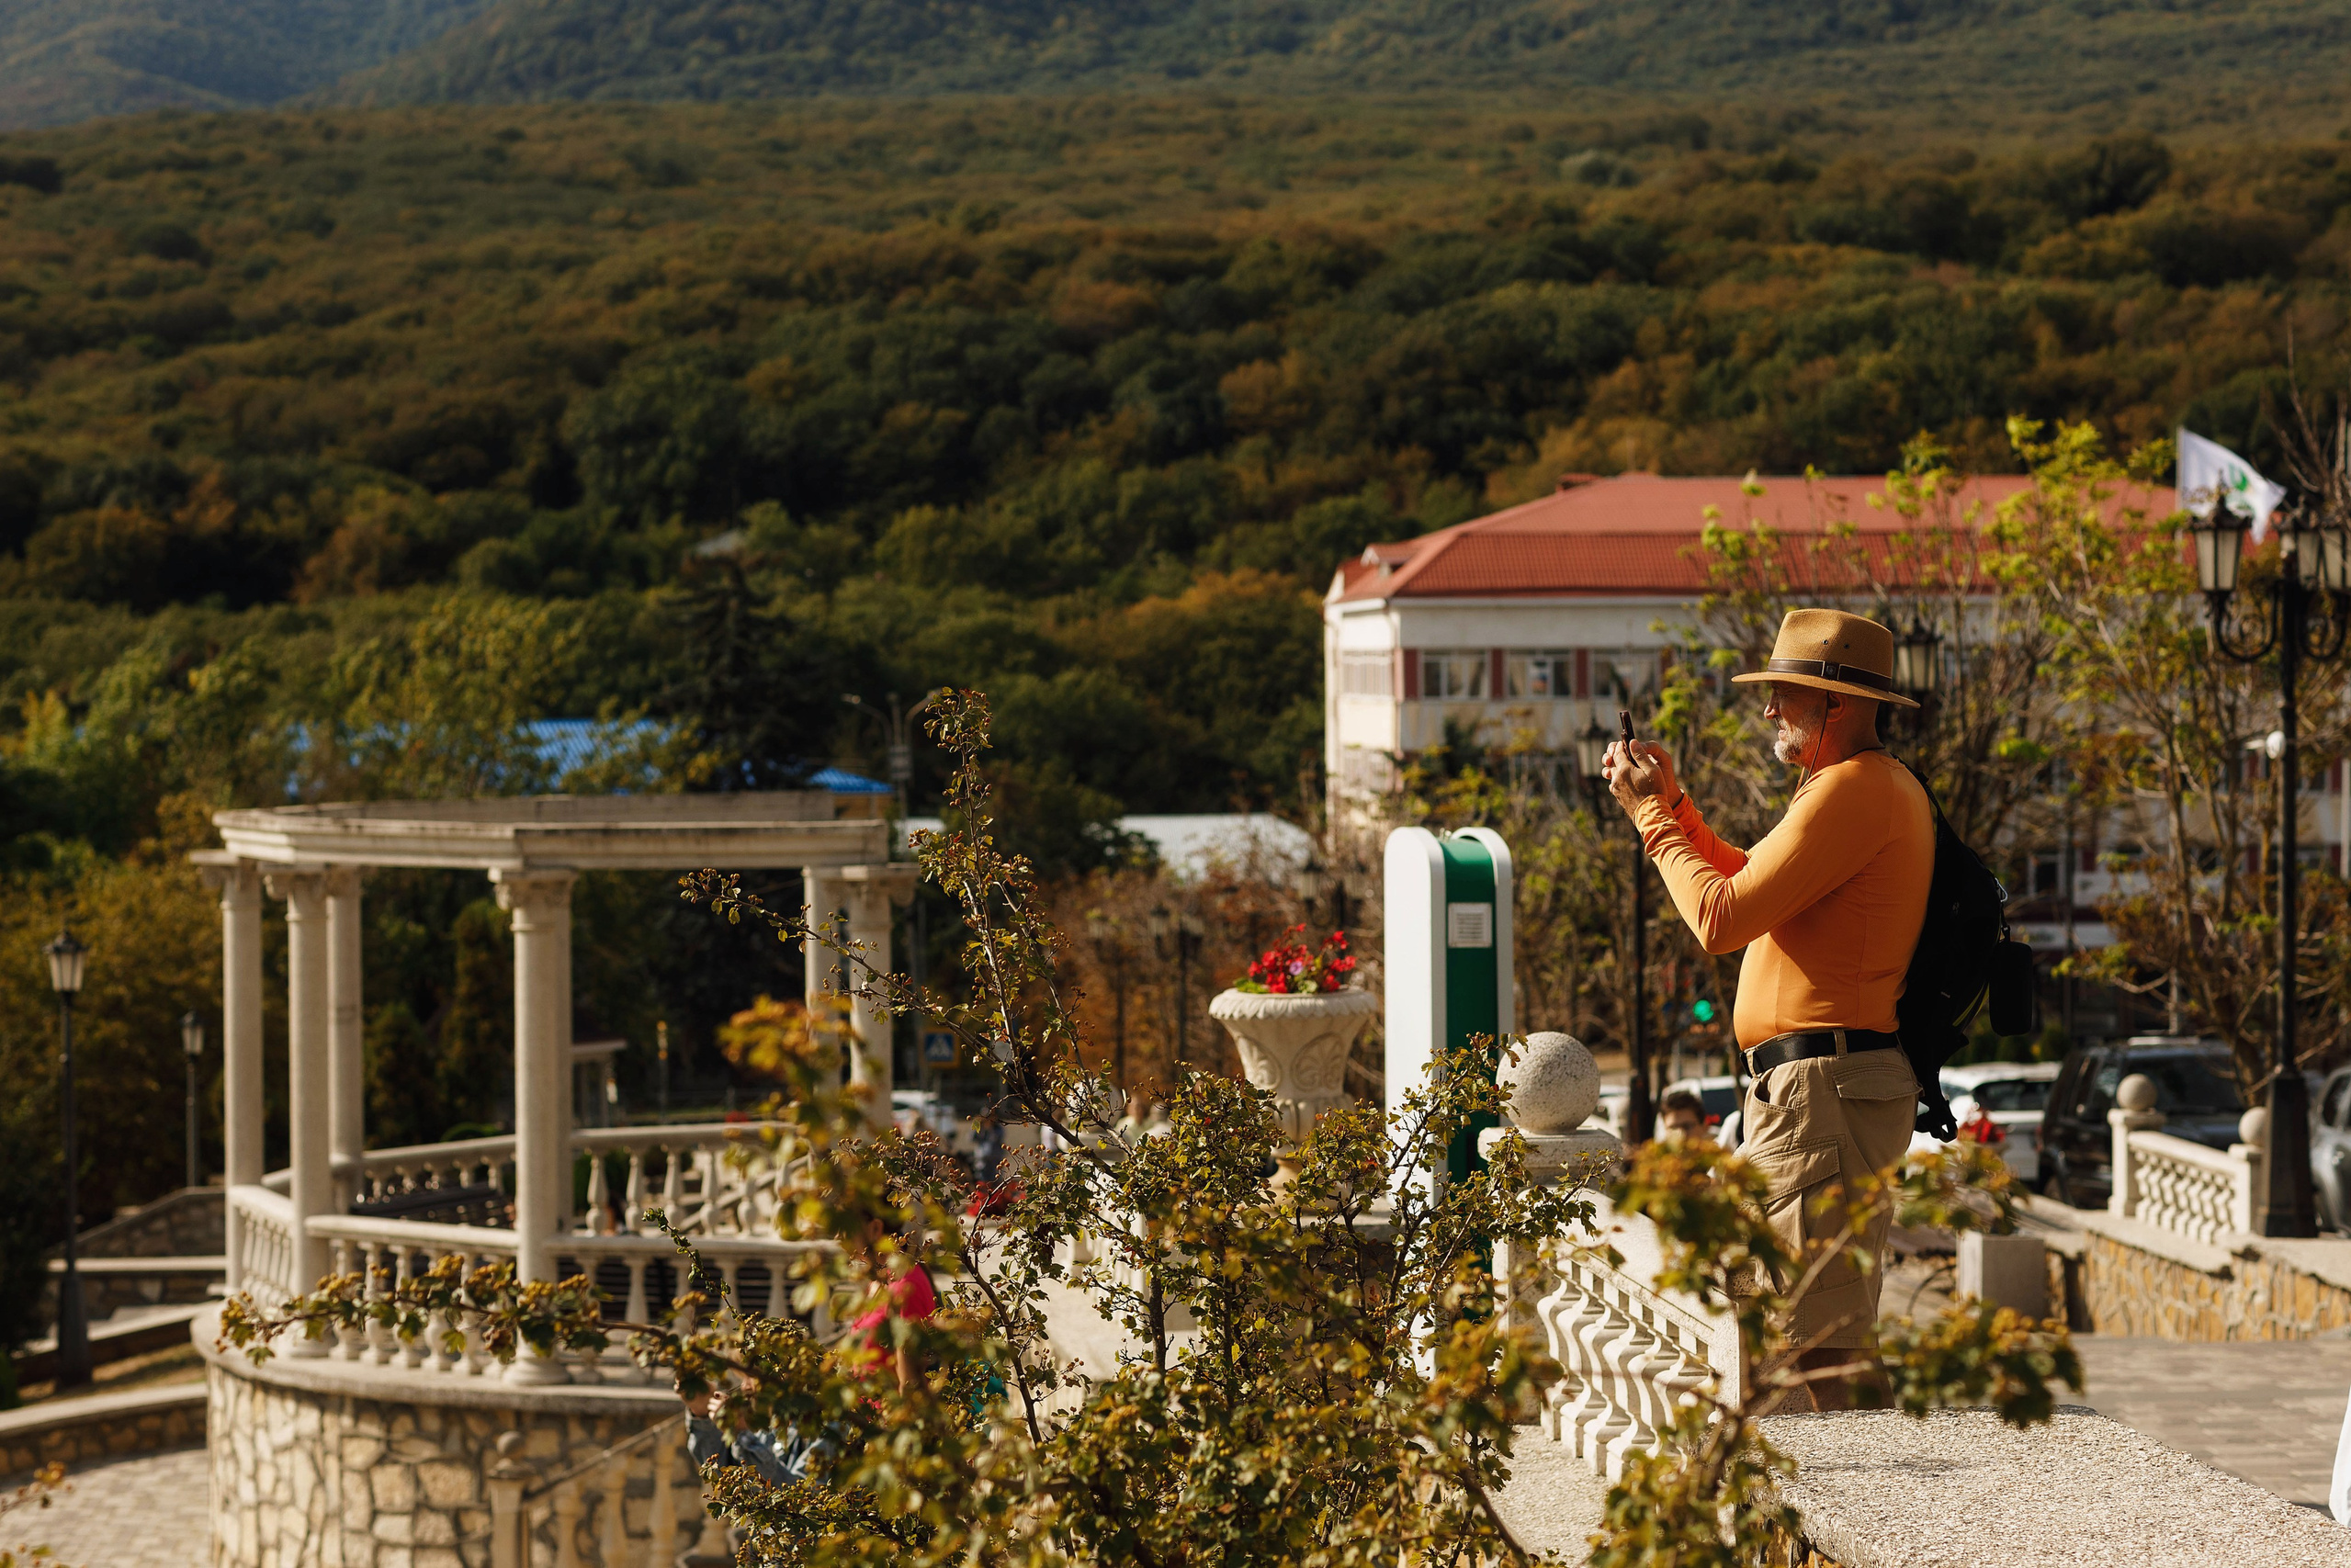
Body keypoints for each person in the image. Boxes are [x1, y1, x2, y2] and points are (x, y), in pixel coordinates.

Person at [1603, 608, 1933, 1410]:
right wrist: (1676, 809)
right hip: (1817, 1091)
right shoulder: (1853, 787)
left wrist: (1652, 820)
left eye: (1783, 693)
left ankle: (1883, 1525)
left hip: (1821, 1093)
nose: (1767, 710)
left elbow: (1720, 917)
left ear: (1837, 705)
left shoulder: (1855, 789)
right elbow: (1754, 883)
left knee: (1813, 1346)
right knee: (1806, 1329)